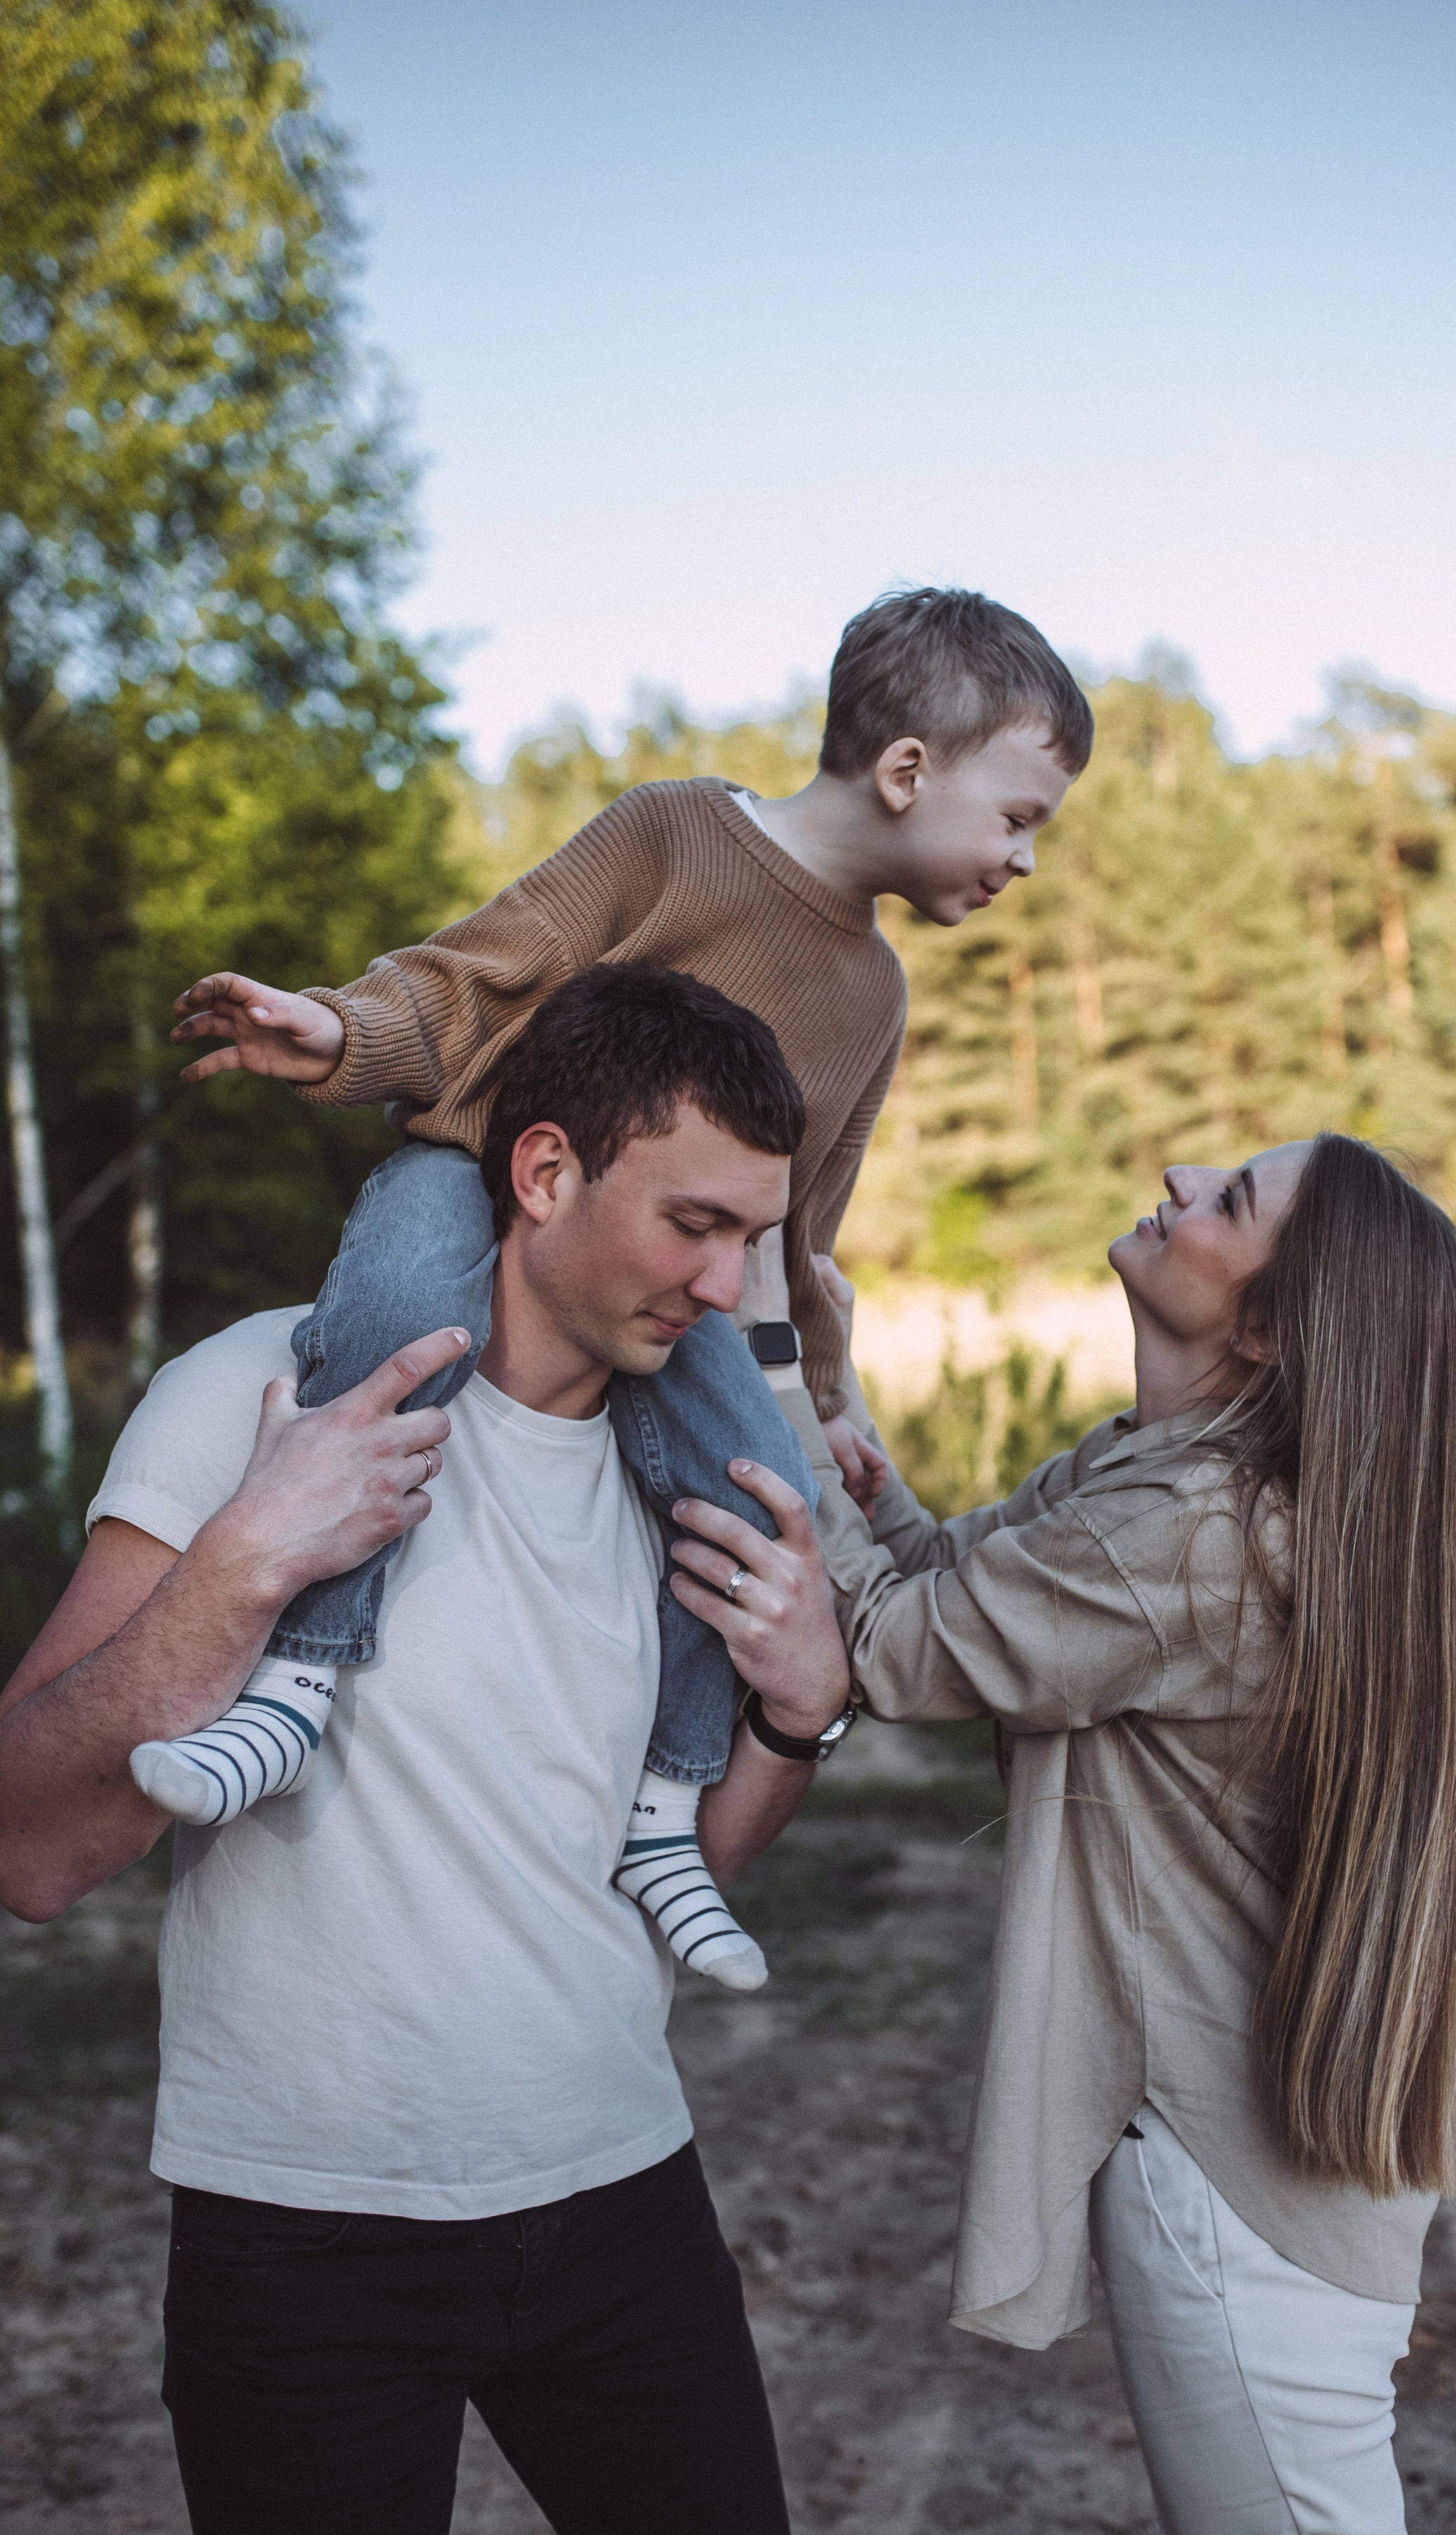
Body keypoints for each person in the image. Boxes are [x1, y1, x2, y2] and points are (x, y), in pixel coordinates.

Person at [0, 965, 857, 2535]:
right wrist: (251, 1556)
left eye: (751, 1240)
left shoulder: (686, 1475)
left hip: (624, 2205)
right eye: (692, 1222)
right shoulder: (260, 1394)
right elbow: (28, 1846)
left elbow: (692, 1864)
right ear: (541, 1174)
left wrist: (797, 1708)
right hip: (300, 2242)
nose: (723, 1287)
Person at [134, 588, 1093, 1956]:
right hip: (468, 1170)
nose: (1023, 860)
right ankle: (296, 1685)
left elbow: (801, 1223)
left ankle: (665, 1802)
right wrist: (341, 1032)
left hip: (674, 1289)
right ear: (904, 773)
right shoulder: (674, 835)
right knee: (403, 1320)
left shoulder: (871, 995)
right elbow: (479, 975)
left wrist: (827, 1397)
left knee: (751, 1503)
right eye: (1019, 819)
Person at [675, 1134, 1456, 2535]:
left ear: (1264, 1327)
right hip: (1262, 2174)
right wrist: (839, 1412)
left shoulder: (1186, 1529)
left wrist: (764, 1338)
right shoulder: (1175, 1476)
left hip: (1228, 2196)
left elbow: (876, 1646)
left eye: (1229, 1199)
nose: (1181, 1172)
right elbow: (941, 1590)